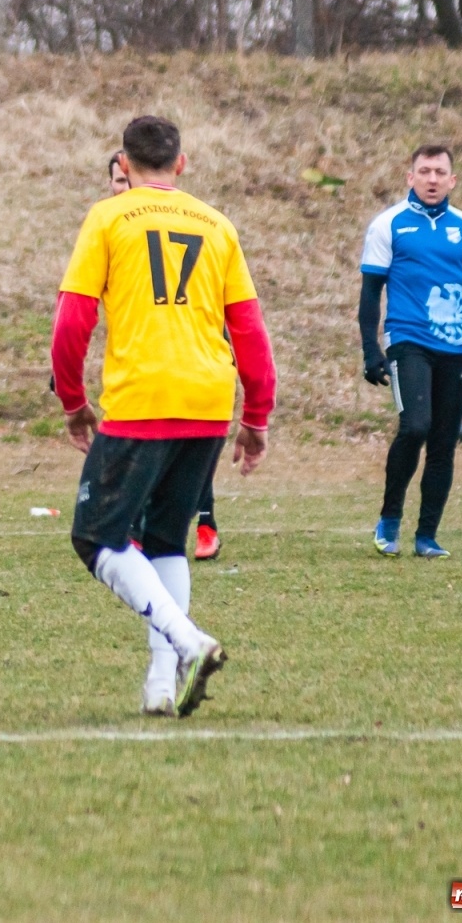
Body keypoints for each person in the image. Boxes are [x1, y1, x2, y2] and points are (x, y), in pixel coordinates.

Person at [52, 117, 275, 717]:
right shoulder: (217, 225)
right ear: (181, 164)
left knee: (94, 536)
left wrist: (73, 402)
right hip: (208, 401)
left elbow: (72, 320)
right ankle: (160, 684)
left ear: (123, 165)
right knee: (165, 540)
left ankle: (188, 641)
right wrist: (256, 415)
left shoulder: (108, 217)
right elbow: (249, 329)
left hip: (143, 396)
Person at [359, 145, 462, 559]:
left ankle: (427, 536)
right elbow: (370, 292)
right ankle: (389, 519)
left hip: (454, 346)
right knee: (415, 426)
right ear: (410, 177)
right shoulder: (389, 225)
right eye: (424, 171)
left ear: (452, 180)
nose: (432, 179)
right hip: (407, 341)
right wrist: (371, 349)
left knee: (442, 442)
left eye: (439, 172)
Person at [110, 150, 225, 561]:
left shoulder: (188, 221)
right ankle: (142, 529)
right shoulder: (110, 225)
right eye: (116, 182)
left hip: (186, 355)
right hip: (138, 361)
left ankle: (205, 522)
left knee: (183, 446)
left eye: (124, 178)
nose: (123, 187)